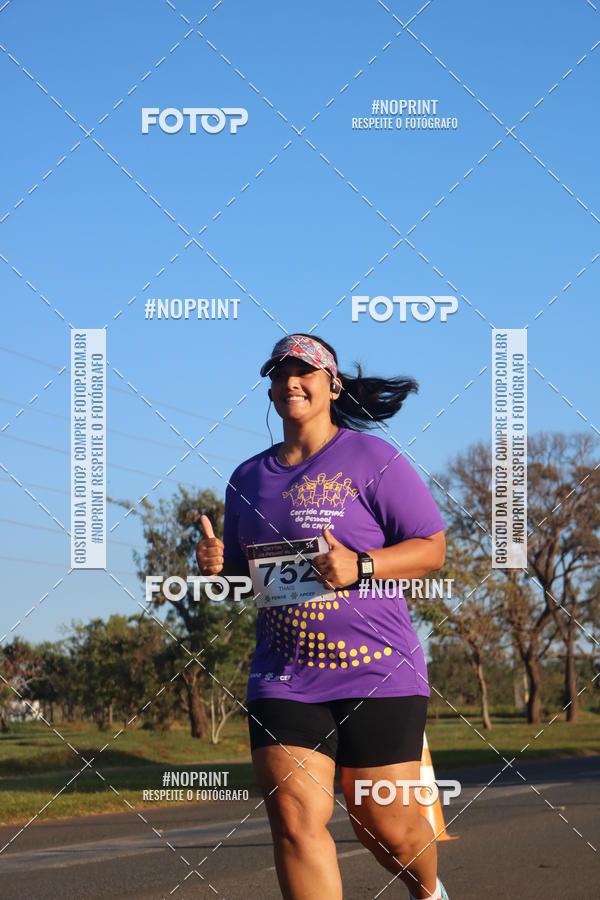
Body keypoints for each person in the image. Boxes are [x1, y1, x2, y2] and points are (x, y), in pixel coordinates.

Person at [196, 333, 450, 900]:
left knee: (385, 829)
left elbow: (432, 548)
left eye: (304, 372)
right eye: (279, 373)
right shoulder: (247, 479)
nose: (291, 381)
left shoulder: (371, 458)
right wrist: (218, 570)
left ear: (331, 385)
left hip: (376, 670)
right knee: (293, 819)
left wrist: (360, 565)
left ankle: (430, 892)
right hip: (284, 676)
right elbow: (247, 581)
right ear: (269, 388)